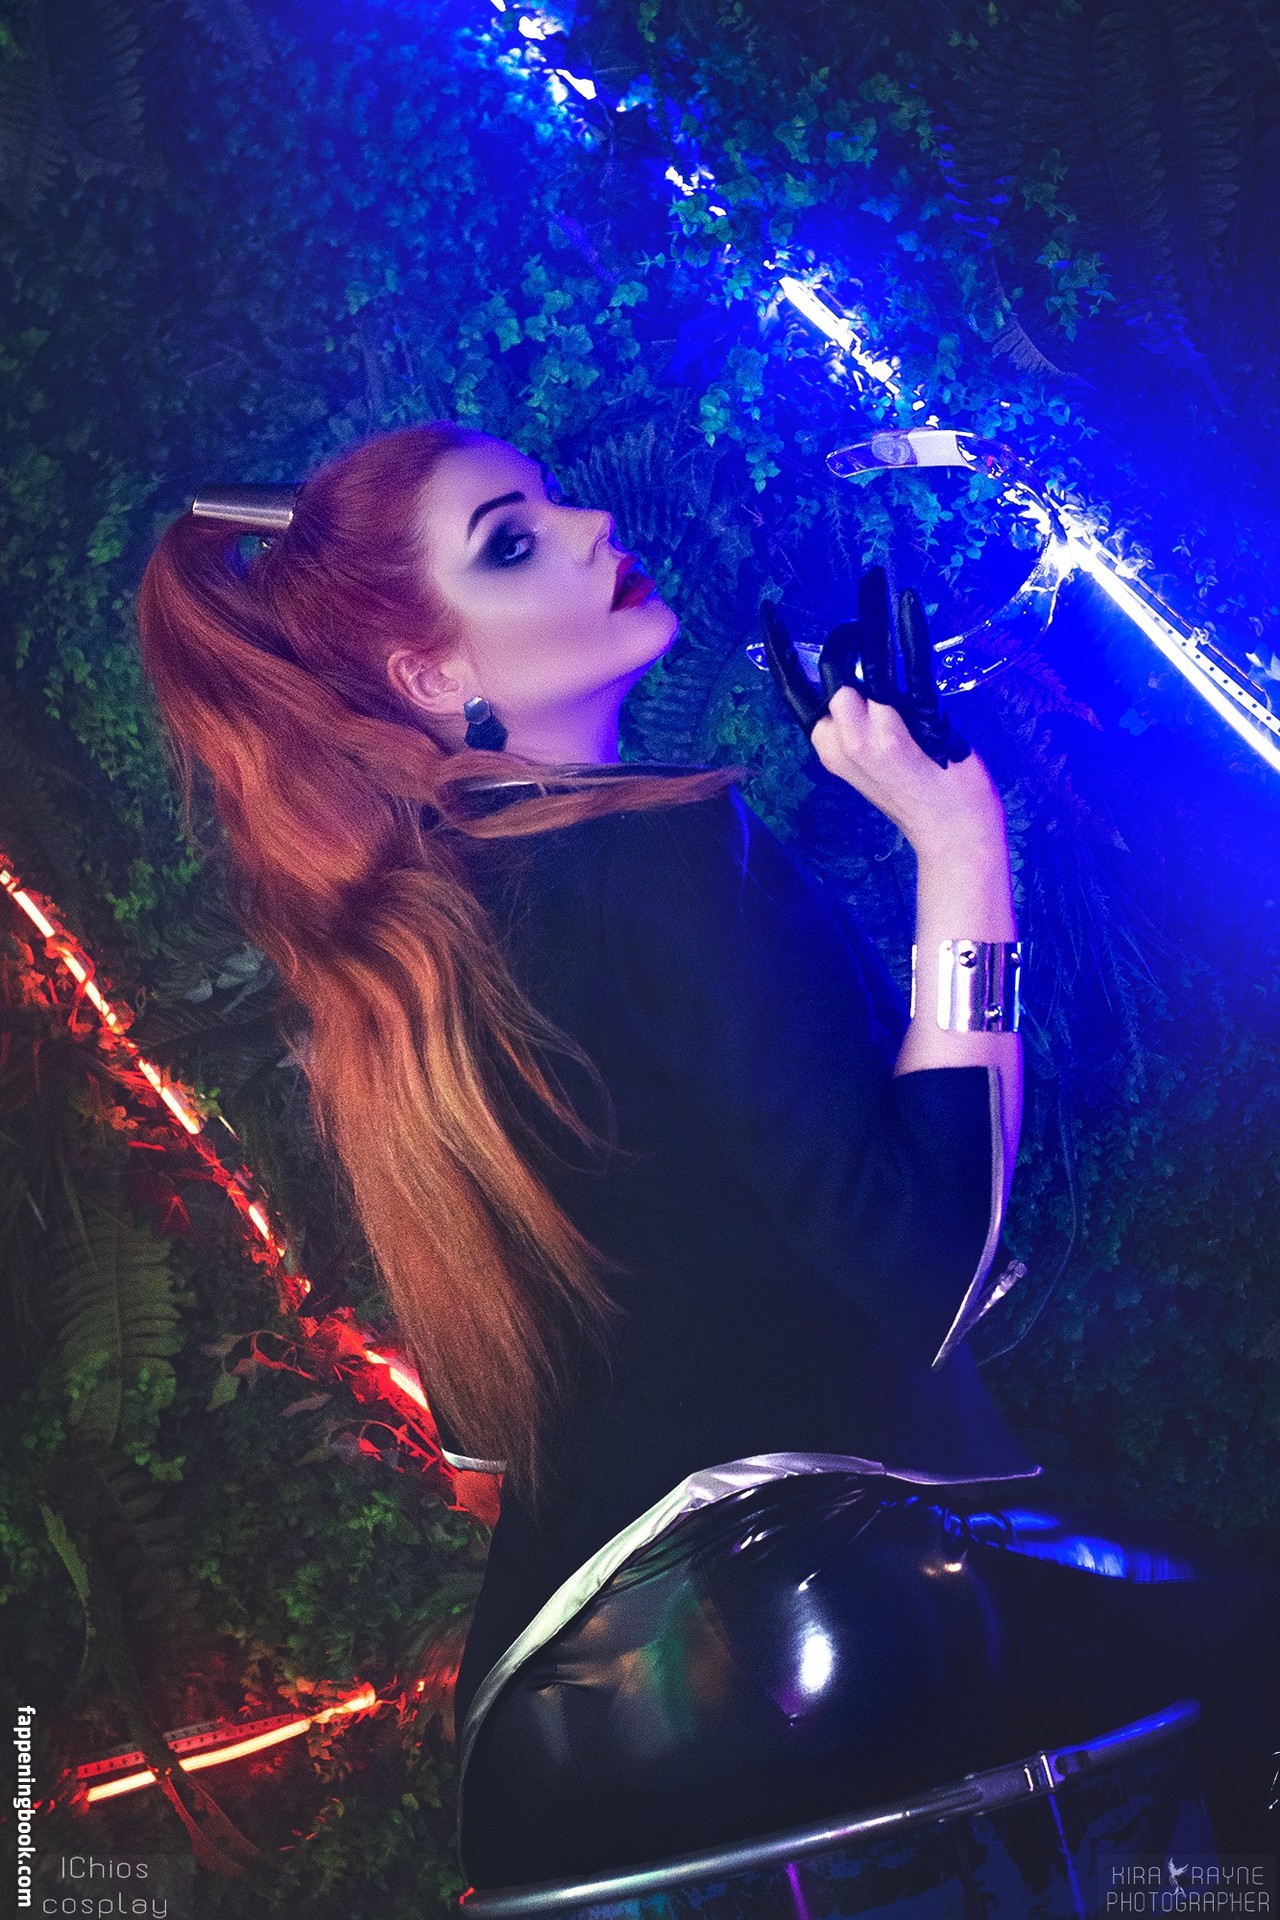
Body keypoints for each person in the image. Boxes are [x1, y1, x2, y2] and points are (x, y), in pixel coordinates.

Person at [136, 421, 1277, 1887]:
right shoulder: (666, 850)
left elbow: (482, 1439)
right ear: (430, 677)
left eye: (550, 502)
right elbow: (930, 1263)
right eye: (510, 542)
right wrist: (958, 843)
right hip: (823, 1603)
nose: (591, 526)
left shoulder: (405, 982)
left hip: (549, 1716)